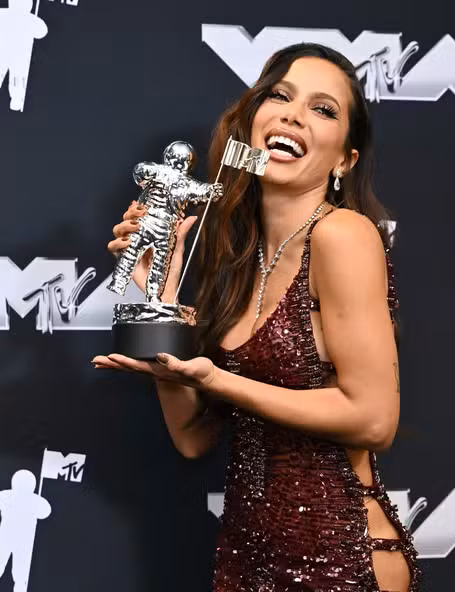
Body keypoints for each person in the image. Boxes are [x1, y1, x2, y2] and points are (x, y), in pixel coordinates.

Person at [93, 43, 421, 592]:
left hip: (338, 559)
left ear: (345, 160)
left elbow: (372, 420)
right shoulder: (238, 258)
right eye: (280, 95)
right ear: (253, 121)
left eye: (323, 109)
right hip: (247, 559)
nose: (293, 113)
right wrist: (162, 291)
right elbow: (194, 441)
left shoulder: (342, 235)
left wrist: (220, 379)